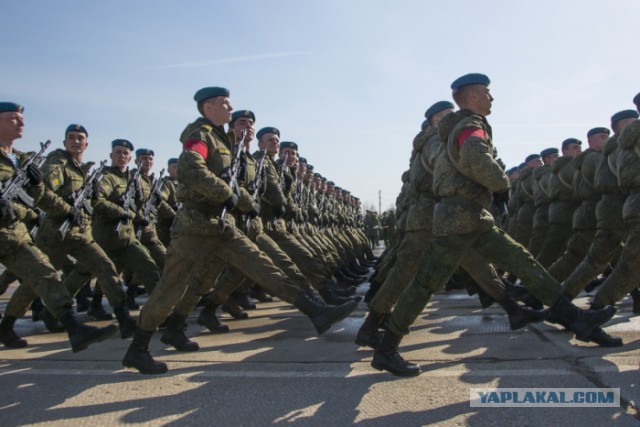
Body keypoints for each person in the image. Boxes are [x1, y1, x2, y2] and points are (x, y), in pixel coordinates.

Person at [370, 74, 616, 377]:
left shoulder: (450, 130)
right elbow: (475, 156)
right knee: (425, 284)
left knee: (524, 263)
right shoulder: (470, 124)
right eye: (487, 92)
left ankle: (578, 320)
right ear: (473, 97)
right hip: (461, 219)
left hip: (468, 217)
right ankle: (386, 348)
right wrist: (501, 186)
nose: (491, 97)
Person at [121, 87, 357, 375]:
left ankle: (315, 310)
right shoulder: (200, 136)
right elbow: (192, 171)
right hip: (195, 226)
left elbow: (236, 187)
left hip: (223, 225)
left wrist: (244, 201)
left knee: (262, 265)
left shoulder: (224, 141)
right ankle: (139, 348)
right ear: (208, 107)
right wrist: (227, 194)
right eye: (225, 104)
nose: (231, 109)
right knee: (173, 286)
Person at [0, 102, 117, 351]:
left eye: (22, 118)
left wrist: (38, 187)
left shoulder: (21, 160)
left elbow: (39, 196)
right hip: (42, 233)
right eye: (13, 118)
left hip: (13, 234)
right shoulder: (54, 161)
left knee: (44, 272)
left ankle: (73, 328)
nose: (21, 123)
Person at [29, 124, 137, 337]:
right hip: (54, 233)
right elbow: (43, 192)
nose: (76, 141)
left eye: (80, 138)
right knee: (35, 279)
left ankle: (124, 320)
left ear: (86, 144)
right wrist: (67, 209)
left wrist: (92, 196)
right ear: (65, 142)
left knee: (106, 268)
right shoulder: (57, 163)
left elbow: (92, 201)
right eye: (72, 137)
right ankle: (12, 323)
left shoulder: (82, 169)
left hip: (81, 233)